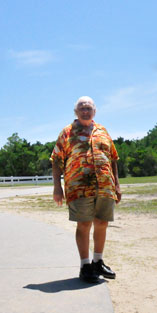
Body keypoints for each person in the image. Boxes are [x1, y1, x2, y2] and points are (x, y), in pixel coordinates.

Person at [50, 96, 122, 283]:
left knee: (102, 222)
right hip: (79, 187)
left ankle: (98, 262)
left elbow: (113, 158)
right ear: (76, 111)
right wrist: (57, 187)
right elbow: (56, 161)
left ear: (94, 111)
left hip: (105, 186)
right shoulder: (67, 132)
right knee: (84, 224)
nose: (85, 110)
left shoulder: (103, 131)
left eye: (88, 107)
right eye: (82, 108)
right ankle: (85, 265)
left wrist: (117, 184)